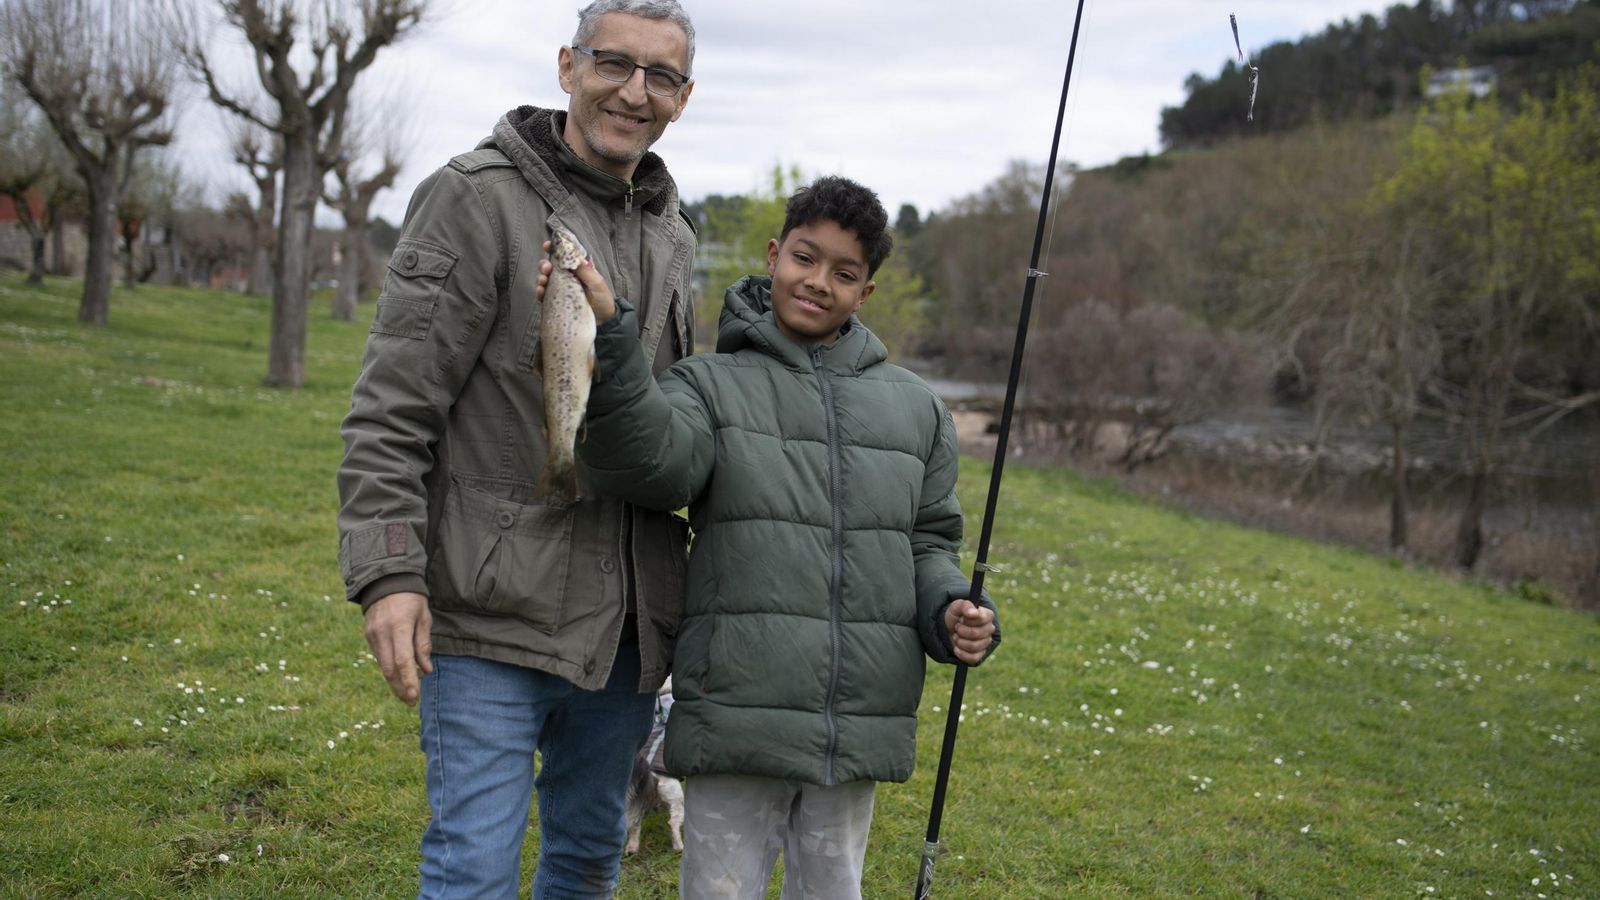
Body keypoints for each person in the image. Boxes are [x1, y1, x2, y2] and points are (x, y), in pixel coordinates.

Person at [548, 175, 1000, 898]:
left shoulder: (917, 409)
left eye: (844, 273)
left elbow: (929, 544)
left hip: (853, 727)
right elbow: (649, 466)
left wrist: (949, 611)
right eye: (804, 258)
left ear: (866, 292)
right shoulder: (709, 383)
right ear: (773, 254)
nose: (818, 282)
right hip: (736, 716)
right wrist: (614, 340)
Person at [335, 2, 699, 897]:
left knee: (585, 861)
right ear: (568, 65)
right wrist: (388, 574)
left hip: (620, 639)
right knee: (474, 871)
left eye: (661, 76)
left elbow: (664, 423)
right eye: (615, 63)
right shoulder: (472, 196)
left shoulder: (674, 234)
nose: (634, 91)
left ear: (684, 99)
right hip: (486, 615)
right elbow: (392, 406)